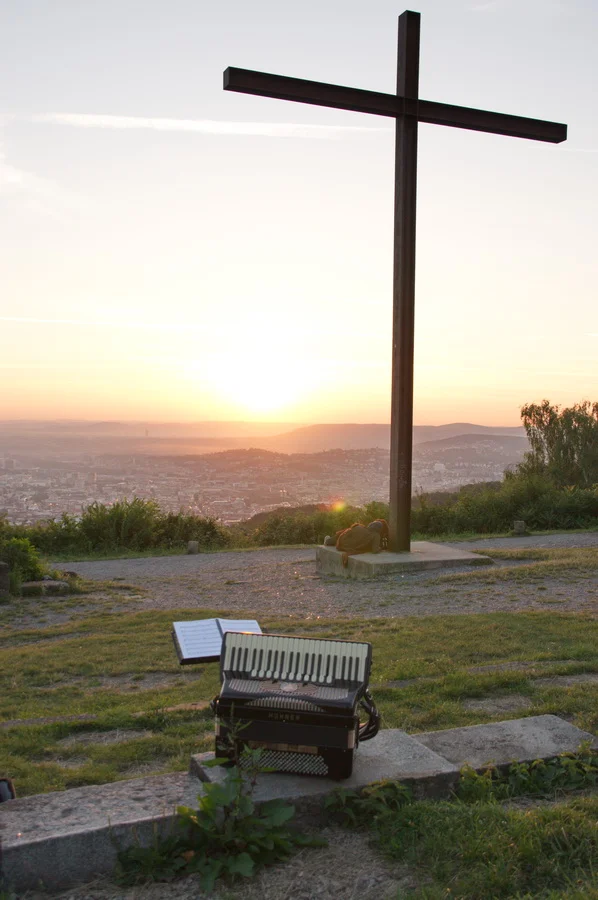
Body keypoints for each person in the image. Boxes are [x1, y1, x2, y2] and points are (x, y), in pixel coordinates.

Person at [324, 519, 389, 566]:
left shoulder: (359, 527)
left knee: (343, 533)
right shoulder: (376, 535)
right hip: (348, 548)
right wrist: (381, 548)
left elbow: (346, 533)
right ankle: (329, 541)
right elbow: (375, 550)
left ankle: (328, 541)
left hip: (340, 543)